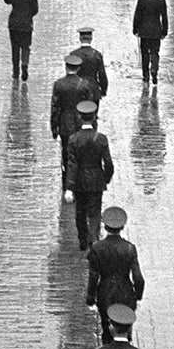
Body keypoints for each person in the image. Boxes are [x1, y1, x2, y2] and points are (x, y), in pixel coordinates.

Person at [85, 204, 146, 339]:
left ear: (106, 227)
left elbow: (93, 275)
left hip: (105, 292)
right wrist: (138, 295)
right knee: (124, 327)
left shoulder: (97, 248)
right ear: (122, 227)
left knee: (106, 327)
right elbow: (138, 278)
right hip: (126, 292)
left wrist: (90, 297)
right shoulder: (130, 248)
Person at [67, 99, 115, 253]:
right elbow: (108, 163)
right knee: (95, 212)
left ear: (80, 117)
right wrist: (105, 178)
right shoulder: (101, 138)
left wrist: (69, 187)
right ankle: (93, 239)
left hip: (80, 181)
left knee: (80, 211)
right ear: (94, 117)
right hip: (96, 180)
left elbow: (72, 164)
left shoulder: (73, 139)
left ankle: (82, 239)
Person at [49, 52, 95, 199]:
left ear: (66, 67)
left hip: (65, 125)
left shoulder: (59, 84)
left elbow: (55, 107)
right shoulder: (84, 85)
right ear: (78, 68)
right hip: (81, 124)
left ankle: (66, 183)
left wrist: (54, 127)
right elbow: (91, 105)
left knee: (66, 154)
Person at [3, 0, 39, 82]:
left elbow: (6, 0)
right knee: (25, 47)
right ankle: (24, 64)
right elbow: (35, 10)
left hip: (13, 25)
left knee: (15, 48)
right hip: (26, 25)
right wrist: (28, 16)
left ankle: (15, 72)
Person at [131, 0, 168, 86]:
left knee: (145, 53)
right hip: (156, 32)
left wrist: (135, 29)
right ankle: (154, 71)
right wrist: (164, 32)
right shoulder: (161, 1)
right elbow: (164, 18)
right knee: (155, 52)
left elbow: (137, 16)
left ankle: (146, 75)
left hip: (144, 32)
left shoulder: (142, 0)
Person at [70, 26, 109, 101]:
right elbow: (102, 75)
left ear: (80, 38)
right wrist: (103, 90)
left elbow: (70, 74)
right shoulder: (97, 55)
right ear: (91, 38)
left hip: (78, 90)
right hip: (93, 90)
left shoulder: (73, 54)